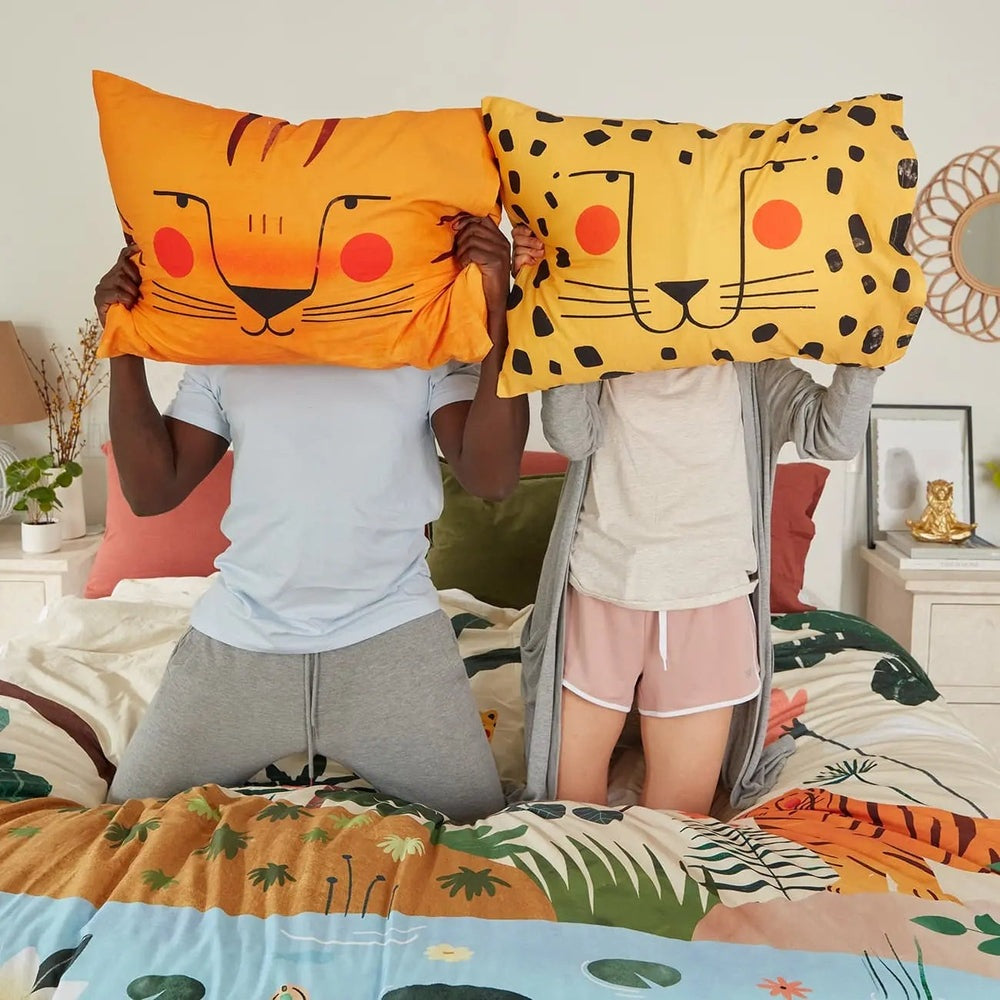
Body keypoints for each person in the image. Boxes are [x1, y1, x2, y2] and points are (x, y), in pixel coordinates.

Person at [95, 216, 528, 823]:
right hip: (240, 644)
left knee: (482, 829)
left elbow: (492, 477)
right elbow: (150, 492)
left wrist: (496, 310)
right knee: (120, 826)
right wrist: (124, 341)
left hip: (390, 642)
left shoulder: (424, 340)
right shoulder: (228, 349)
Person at [512, 224, 881, 814]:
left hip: (708, 603)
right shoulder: (603, 352)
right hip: (601, 592)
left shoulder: (755, 368)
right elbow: (569, 435)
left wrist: (868, 345)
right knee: (568, 812)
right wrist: (546, 296)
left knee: (679, 821)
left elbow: (832, 437)